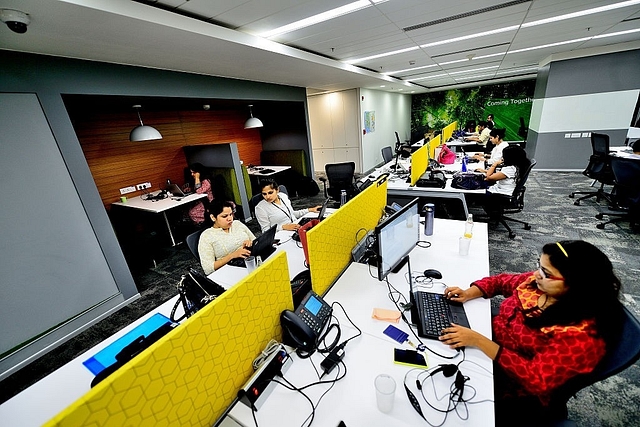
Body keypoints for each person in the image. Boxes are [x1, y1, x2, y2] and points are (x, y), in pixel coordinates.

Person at [440, 240, 623, 425]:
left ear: (577, 284)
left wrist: (480, 342)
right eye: (539, 266)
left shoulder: (580, 336)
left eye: (547, 273)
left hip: (513, 387)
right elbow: (501, 281)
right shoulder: (538, 284)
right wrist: (469, 293)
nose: (537, 274)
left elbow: (535, 379)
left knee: (440, 396)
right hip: (489, 348)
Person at [198, 200, 255, 275]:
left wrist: (250, 243)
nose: (230, 219)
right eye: (224, 216)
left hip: (250, 261)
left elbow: (255, 240)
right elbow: (208, 269)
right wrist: (232, 255)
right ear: (213, 217)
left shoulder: (237, 224)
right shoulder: (207, 236)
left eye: (231, 214)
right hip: (230, 271)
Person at [255, 179, 322, 232]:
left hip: (296, 227)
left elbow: (292, 214)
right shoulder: (260, 208)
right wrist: (283, 227)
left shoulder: (283, 196)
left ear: (277, 190)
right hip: (281, 234)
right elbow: (265, 231)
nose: (268, 196)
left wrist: (310, 210)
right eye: (264, 194)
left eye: (270, 192)